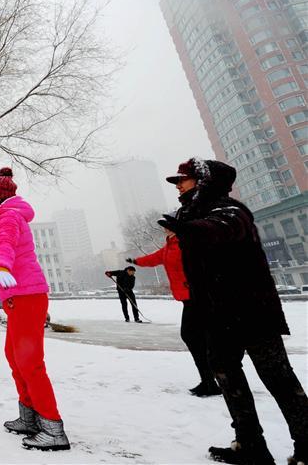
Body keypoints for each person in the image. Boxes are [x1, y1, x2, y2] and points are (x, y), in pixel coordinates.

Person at [159, 158, 307, 465]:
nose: (178, 187)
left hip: (252, 313)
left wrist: (190, 228)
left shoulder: (229, 210)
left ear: (204, 182)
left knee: (278, 379)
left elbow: (221, 229)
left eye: (183, 180)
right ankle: (250, 443)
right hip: (217, 315)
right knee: (226, 376)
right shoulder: (192, 213)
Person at [0, 167, 69, 451]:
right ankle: (30, 416)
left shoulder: (8, 217)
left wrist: (1, 266)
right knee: (15, 356)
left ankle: (52, 427)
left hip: (27, 295)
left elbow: (6, 245)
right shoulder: (5, 216)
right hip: (18, 296)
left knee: (29, 361)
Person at [128, 231, 220, 397]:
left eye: (169, 227)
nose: (166, 231)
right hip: (188, 298)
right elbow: (153, 259)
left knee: (193, 336)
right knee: (195, 337)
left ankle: (213, 379)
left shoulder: (186, 244)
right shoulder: (168, 248)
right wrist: (135, 261)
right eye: (164, 229)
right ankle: (209, 380)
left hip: (196, 296)